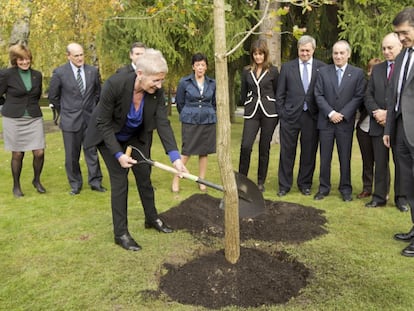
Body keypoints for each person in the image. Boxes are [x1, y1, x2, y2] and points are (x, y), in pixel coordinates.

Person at [84, 49, 187, 251]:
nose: (159, 86)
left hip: (135, 136)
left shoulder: (155, 93)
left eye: (161, 81)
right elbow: (103, 122)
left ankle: (151, 218)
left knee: (144, 177)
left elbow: (162, 123)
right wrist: (119, 154)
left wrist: (175, 158)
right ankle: (121, 233)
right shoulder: (115, 84)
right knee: (120, 181)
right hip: (109, 137)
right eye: (155, 81)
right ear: (140, 74)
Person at [48, 43, 106, 195]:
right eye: (76, 56)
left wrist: (94, 111)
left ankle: (95, 182)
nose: (80, 58)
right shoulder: (60, 73)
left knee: (92, 152)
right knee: (72, 156)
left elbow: (98, 93)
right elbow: (53, 97)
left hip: (90, 120)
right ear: (68, 56)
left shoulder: (92, 71)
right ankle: (75, 184)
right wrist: (65, 110)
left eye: (81, 55)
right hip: (70, 121)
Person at [314, 40, 366, 201]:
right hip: (326, 122)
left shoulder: (357, 73)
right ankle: (323, 188)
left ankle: (345, 189)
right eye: (335, 53)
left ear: (348, 54)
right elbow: (318, 94)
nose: (338, 56)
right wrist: (330, 113)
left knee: (345, 157)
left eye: (342, 53)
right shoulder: (323, 72)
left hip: (345, 123)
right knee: (325, 158)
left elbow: (358, 96)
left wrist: (342, 114)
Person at [276, 35, 326, 197]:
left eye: (307, 50)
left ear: (313, 50)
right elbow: (280, 94)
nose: (304, 53)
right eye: (302, 50)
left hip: (311, 116)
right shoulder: (287, 67)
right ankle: (284, 185)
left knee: (309, 152)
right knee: (287, 152)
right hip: (290, 116)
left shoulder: (321, 68)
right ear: (298, 50)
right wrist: (282, 113)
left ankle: (305, 184)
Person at [383, 7, 414, 257]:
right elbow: (394, 94)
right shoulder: (403, 55)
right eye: (398, 34)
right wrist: (389, 128)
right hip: (402, 129)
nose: (401, 38)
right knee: (408, 182)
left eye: (404, 32)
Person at [0, 44, 46, 198]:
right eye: (21, 59)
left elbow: (37, 94)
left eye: (27, 59)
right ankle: (16, 185)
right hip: (13, 119)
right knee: (18, 154)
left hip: (33, 117)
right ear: (15, 60)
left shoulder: (37, 75)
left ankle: (37, 180)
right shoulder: (7, 74)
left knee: (39, 152)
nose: (25, 62)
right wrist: (7, 106)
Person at [364, 33, 403, 208]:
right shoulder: (378, 69)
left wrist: (389, 114)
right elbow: (368, 94)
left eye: (390, 48)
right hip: (377, 124)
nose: (386, 51)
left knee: (401, 164)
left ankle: (402, 199)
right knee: (380, 163)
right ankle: (379, 197)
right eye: (384, 48)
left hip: (400, 125)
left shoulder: (406, 68)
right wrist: (376, 112)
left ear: (400, 46)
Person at [171, 53, 216, 193]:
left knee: (204, 152)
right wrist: (187, 113)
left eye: (203, 65)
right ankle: (176, 179)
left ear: (206, 67)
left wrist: (209, 113)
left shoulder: (212, 83)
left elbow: (214, 103)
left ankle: (201, 181)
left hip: (207, 121)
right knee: (187, 151)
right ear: (193, 67)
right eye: (197, 65)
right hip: (190, 120)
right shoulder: (184, 82)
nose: (200, 67)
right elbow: (180, 103)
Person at [238, 39, 279, 192]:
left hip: (269, 112)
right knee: (246, 146)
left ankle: (260, 181)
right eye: (255, 54)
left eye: (260, 54)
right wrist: (247, 102)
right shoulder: (246, 71)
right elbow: (242, 92)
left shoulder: (273, 71)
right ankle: (242, 179)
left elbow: (277, 90)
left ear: (265, 54)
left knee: (264, 146)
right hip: (252, 111)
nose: (258, 57)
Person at [355, 58, 382, 201]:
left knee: (381, 161)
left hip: (380, 129)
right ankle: (367, 188)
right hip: (364, 128)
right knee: (367, 161)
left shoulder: (386, 86)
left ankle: (382, 190)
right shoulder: (364, 86)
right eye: (372, 70)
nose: (374, 73)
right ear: (368, 71)